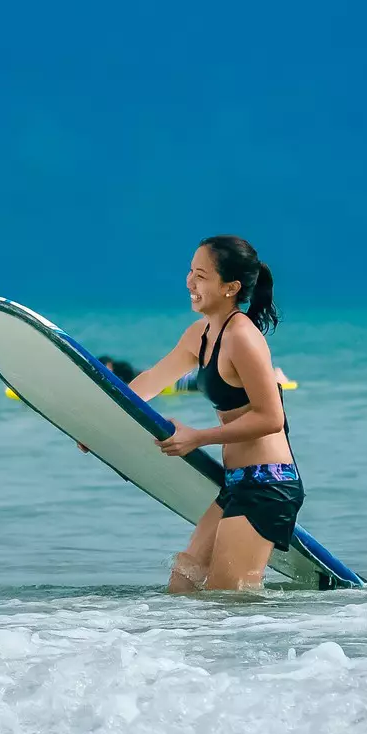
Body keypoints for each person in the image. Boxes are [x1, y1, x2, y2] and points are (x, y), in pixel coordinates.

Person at [129, 235, 297, 594]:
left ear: (230, 287)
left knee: (227, 600)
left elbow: (271, 418)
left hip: (267, 484)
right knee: (183, 583)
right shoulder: (200, 335)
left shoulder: (242, 337)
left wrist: (197, 437)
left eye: (202, 275)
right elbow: (150, 381)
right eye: (191, 272)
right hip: (235, 483)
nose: (190, 282)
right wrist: (96, 420)